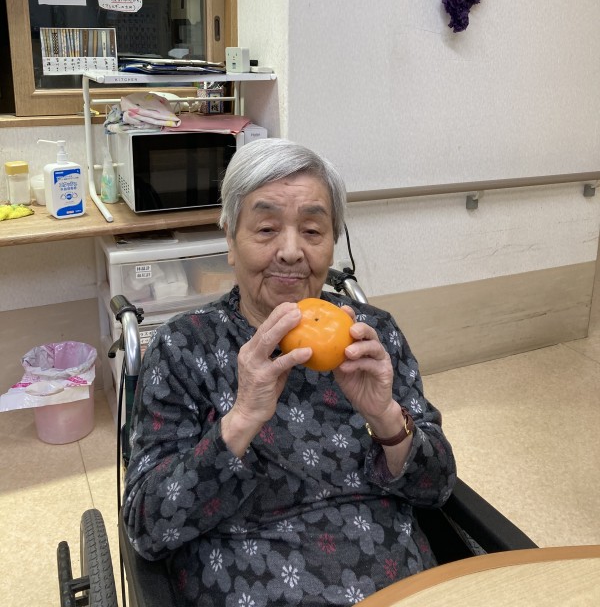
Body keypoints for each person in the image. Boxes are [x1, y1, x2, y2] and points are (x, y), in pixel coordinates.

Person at [123, 137, 456, 606]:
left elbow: (437, 487)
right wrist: (240, 420)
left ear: (332, 243)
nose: (291, 251)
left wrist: (385, 418)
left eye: (313, 231)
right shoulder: (183, 347)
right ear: (230, 241)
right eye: (266, 229)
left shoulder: (371, 337)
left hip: (396, 584)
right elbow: (147, 527)